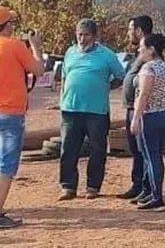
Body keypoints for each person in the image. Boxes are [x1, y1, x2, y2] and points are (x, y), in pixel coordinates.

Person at [0, 7, 45, 230]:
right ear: (7, 25)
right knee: (6, 165)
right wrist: (35, 46)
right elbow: (39, 70)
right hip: (10, 114)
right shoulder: (14, 46)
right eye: (12, 23)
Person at [58, 19, 126, 201]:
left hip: (97, 111)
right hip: (70, 109)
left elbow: (121, 76)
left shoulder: (107, 55)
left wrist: (104, 87)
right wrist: (62, 100)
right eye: (79, 35)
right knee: (68, 149)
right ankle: (68, 187)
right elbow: (65, 77)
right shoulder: (70, 53)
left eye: (86, 35)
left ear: (95, 36)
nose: (82, 39)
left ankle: (93, 186)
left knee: (97, 149)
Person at [130, 33, 165, 212]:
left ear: (151, 49)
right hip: (162, 114)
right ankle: (151, 192)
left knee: (151, 156)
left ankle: (157, 197)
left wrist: (136, 118)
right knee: (153, 156)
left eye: (142, 47)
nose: (139, 49)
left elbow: (144, 95)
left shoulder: (148, 69)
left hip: (150, 116)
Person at [116, 15, 154, 201]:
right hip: (132, 108)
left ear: (139, 31)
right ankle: (137, 184)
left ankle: (147, 188)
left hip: (142, 110)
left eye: (130, 30)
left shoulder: (149, 53)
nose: (128, 33)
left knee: (144, 151)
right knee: (136, 150)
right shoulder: (140, 53)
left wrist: (138, 112)